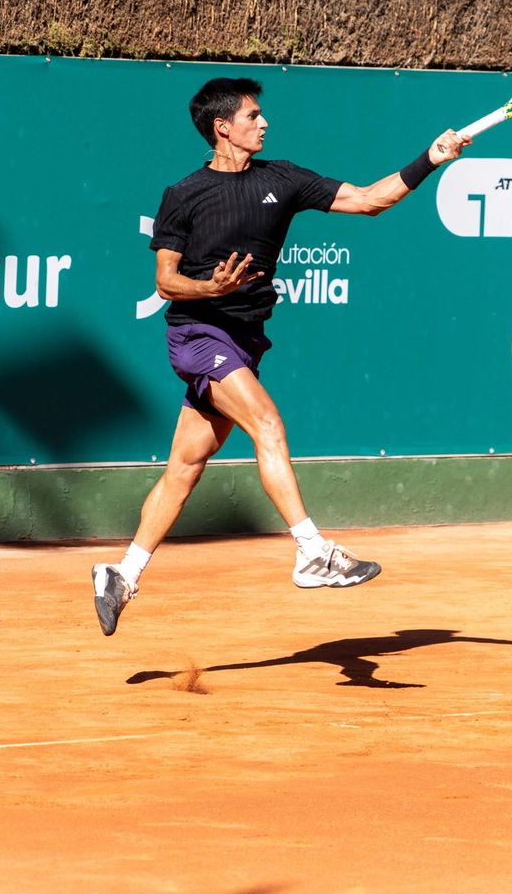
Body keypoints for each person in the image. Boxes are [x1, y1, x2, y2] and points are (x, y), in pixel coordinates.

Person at [91, 77, 469, 635]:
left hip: (243, 339)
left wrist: (430, 160)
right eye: (252, 116)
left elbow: (369, 200)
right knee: (267, 422)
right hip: (198, 334)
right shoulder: (184, 194)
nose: (263, 123)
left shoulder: (283, 179)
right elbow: (166, 281)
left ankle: (122, 573)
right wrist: (212, 290)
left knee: (186, 467)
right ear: (223, 128)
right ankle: (312, 549)